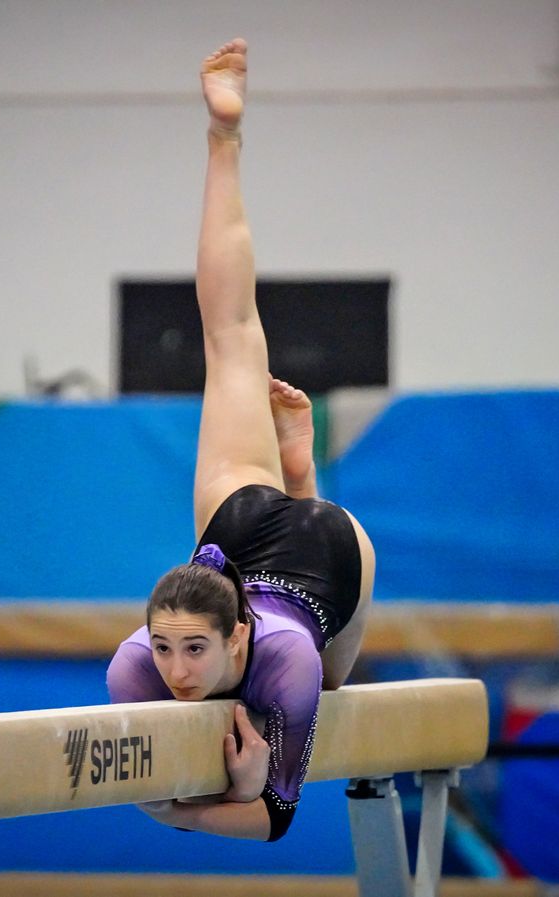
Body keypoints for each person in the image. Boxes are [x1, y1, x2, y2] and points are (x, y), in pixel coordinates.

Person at [105, 38, 377, 843]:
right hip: (241, 528)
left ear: (236, 638)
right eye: (164, 647)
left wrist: (188, 814)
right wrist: (218, 790)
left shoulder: (285, 661)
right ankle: (223, 136)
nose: (175, 670)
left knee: (332, 680)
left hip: (335, 553)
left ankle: (305, 476)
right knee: (227, 336)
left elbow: (275, 821)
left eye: (193, 649)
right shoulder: (132, 668)